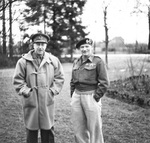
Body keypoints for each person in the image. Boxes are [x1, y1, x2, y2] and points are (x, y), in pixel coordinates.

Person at [13, 33, 65, 143]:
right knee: (31, 130)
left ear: (46, 45)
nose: (40, 47)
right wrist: (27, 92)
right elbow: (18, 81)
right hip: (31, 101)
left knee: (48, 129)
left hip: (47, 100)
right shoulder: (23, 62)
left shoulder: (53, 60)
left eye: (43, 44)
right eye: (37, 44)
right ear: (33, 45)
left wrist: (52, 91)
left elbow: (60, 77)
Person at [70, 38, 109, 143]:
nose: (84, 49)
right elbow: (72, 80)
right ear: (79, 49)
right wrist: (73, 95)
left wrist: (96, 96)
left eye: (87, 46)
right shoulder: (77, 61)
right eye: (82, 47)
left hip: (91, 96)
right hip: (77, 96)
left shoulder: (98, 61)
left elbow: (104, 82)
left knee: (94, 127)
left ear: (91, 48)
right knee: (78, 127)